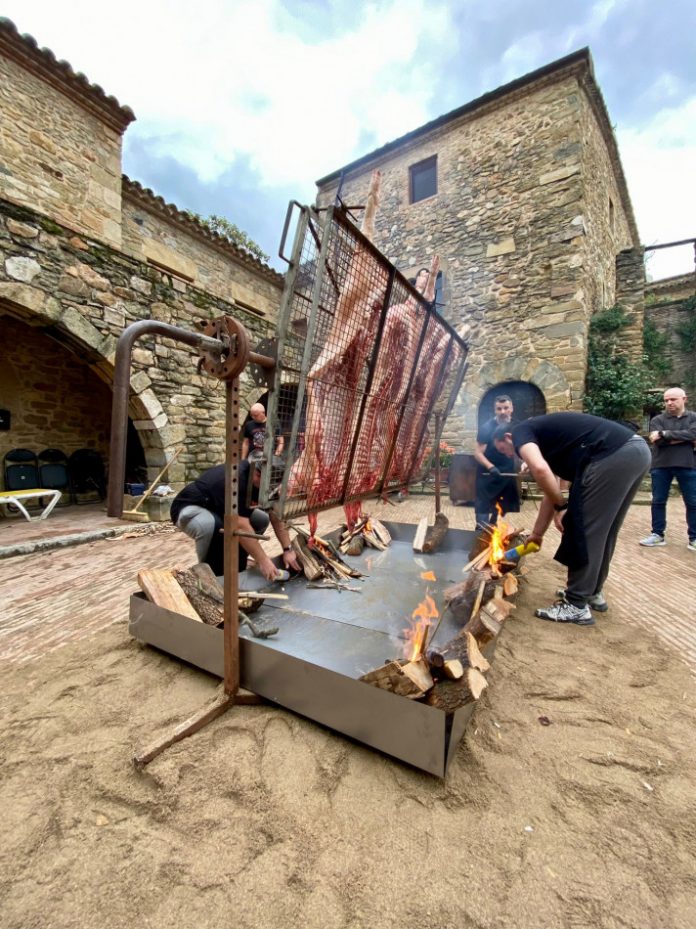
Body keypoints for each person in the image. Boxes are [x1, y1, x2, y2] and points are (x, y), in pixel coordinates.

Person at [493, 412, 651, 626]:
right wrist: (537, 534)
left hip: (612, 455)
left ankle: (576, 604)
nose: (514, 456)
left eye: (507, 450)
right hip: (636, 452)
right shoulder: (554, 443)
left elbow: (539, 470)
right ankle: (591, 592)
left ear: (509, 438)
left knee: (583, 529)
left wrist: (563, 507)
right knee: (604, 531)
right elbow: (552, 491)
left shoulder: (522, 431)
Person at [170, 459, 300, 580]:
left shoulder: (269, 484)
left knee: (261, 520)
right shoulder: (237, 480)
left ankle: (237, 563)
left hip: (219, 508)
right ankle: (208, 573)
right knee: (211, 525)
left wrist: (287, 549)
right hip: (188, 508)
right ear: (257, 473)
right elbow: (241, 526)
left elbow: (276, 516)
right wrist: (264, 561)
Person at [639, 387, 696, 551]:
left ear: (684, 399)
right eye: (666, 400)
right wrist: (685, 438)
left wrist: (664, 435)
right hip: (661, 465)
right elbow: (656, 441)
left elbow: (693, 434)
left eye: (673, 399)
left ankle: (694, 538)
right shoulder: (657, 419)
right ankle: (657, 535)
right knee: (658, 501)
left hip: (688, 464)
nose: (669, 403)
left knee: (693, 503)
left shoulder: (693, 418)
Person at [473, 394, 520, 530]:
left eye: (506, 408)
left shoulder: (517, 426)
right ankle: (480, 538)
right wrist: (490, 467)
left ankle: (493, 545)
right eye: (499, 409)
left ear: (512, 408)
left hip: (506, 476)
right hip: (486, 477)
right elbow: (478, 453)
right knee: (482, 518)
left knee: (498, 516)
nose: (503, 412)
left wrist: (524, 463)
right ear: (495, 410)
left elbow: (522, 450)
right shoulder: (486, 428)